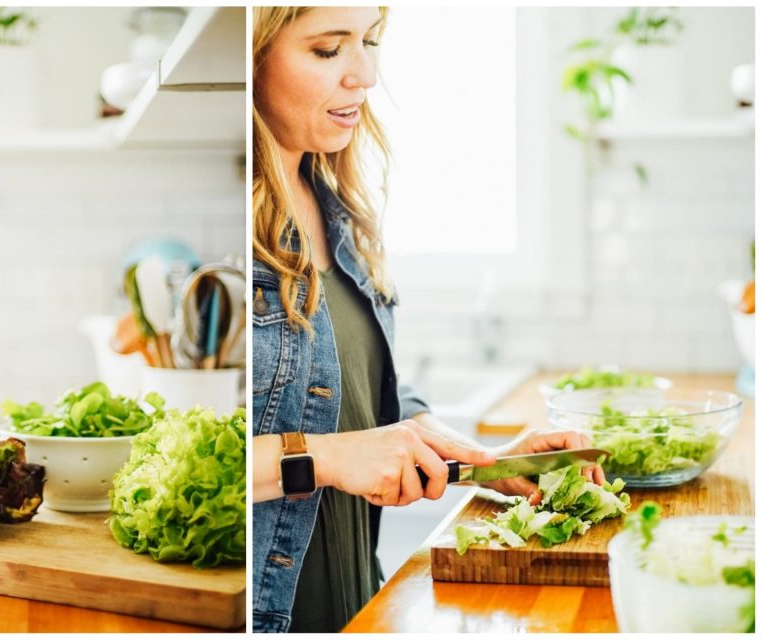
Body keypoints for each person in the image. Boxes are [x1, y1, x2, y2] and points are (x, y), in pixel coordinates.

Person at [250, 7, 604, 634]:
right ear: (249, 58)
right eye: (329, 50)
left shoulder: (340, 212)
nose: (363, 73)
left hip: (355, 599)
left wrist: (488, 461)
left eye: (370, 41)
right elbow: (206, 460)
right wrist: (326, 461)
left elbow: (354, 396)